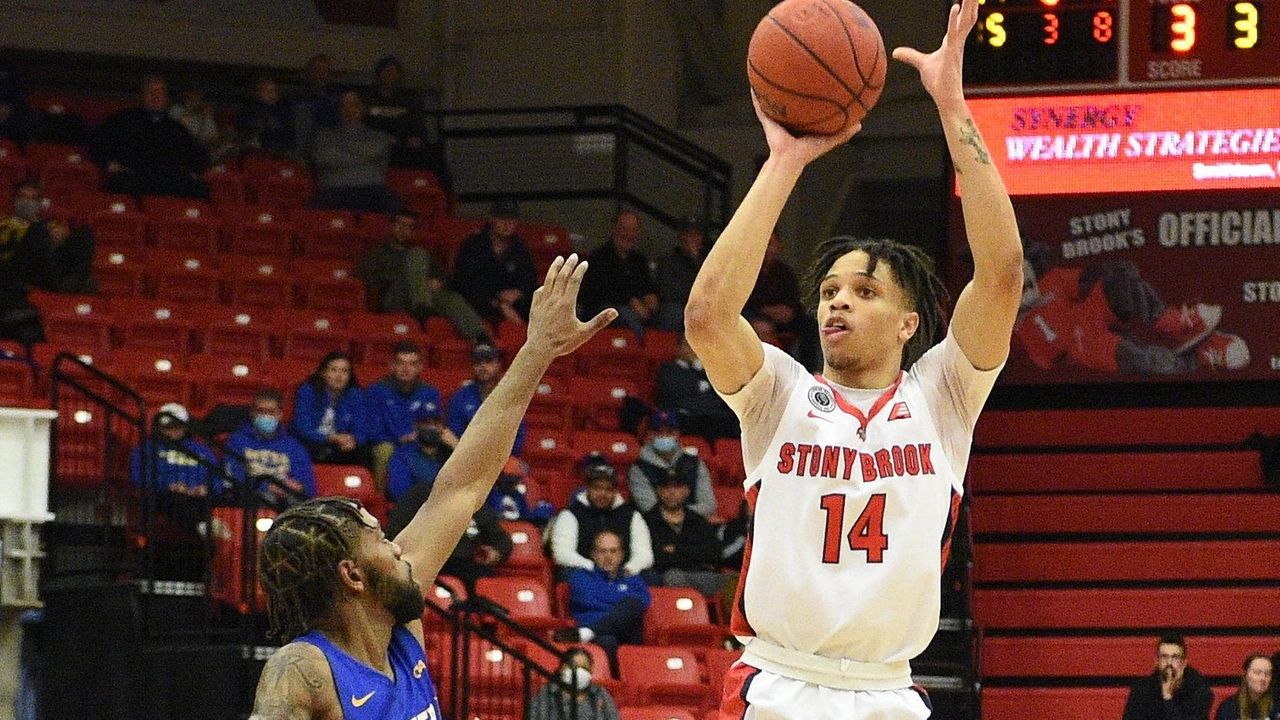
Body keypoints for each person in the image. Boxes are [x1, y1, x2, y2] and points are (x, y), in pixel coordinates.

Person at [684, 1, 1024, 716]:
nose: (837, 302)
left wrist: (953, 107)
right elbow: (708, 316)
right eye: (830, 290)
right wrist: (784, 162)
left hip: (883, 693)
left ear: (909, 323)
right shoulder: (779, 393)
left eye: (864, 291)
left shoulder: (943, 397)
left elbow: (1001, 274)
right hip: (776, 683)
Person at [246, 253, 615, 720]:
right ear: (352, 575)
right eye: (381, 540)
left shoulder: (400, 626)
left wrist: (537, 351)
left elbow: (464, 484)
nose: (399, 549)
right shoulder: (302, 667)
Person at [1017, 251, 1250, 375]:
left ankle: (1178, 324)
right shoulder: (1019, 330)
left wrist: (1107, 274)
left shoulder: (1051, 281)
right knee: (1140, 359)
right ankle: (1199, 355)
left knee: (1122, 276)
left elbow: (1085, 281)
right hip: (1087, 345)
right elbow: (1048, 361)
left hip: (1094, 310)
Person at [356, 210, 490, 341]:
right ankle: (421, 305)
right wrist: (403, 279)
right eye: (400, 225)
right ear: (391, 226)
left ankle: (480, 337)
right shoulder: (376, 254)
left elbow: (445, 277)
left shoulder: (425, 255)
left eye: (409, 227)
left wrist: (438, 282)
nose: (404, 230)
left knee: (450, 297)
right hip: (395, 297)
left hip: (427, 297)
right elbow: (367, 278)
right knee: (416, 255)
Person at [88, 74, 208, 198]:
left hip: (168, 181)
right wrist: (108, 162)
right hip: (134, 178)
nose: (155, 96)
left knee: (199, 188)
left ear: (166, 97)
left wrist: (192, 171)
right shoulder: (124, 119)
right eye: (151, 92)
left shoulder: (176, 128)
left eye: (160, 92)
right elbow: (96, 141)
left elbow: (197, 156)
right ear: (143, 95)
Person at [385, 476, 512, 592]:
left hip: (465, 565)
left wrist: (496, 552)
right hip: (424, 564)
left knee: (486, 583)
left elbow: (501, 538)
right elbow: (395, 533)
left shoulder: (472, 501)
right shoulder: (419, 496)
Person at [553, 529, 651, 671]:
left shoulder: (632, 578)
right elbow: (587, 600)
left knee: (633, 604)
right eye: (602, 551)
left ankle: (588, 632)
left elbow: (642, 602)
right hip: (600, 637)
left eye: (613, 551)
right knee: (608, 639)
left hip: (625, 634)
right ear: (593, 554)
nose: (608, 556)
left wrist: (615, 604)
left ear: (622, 555)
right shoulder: (581, 577)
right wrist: (619, 605)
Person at [549, 453, 653, 579]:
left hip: (625, 574)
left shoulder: (631, 515)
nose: (602, 493)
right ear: (587, 488)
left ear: (615, 491)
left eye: (608, 489)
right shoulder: (570, 514)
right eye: (597, 488)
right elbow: (562, 554)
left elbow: (645, 555)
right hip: (586, 573)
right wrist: (593, 568)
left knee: (650, 576)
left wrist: (627, 570)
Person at [308, 89, 404, 214]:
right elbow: (323, 159)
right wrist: (364, 157)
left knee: (403, 215)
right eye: (344, 105)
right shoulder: (323, 135)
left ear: (362, 108)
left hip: (373, 190)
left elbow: (375, 151)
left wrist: (341, 149)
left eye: (354, 104)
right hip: (334, 189)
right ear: (339, 110)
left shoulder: (379, 136)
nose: (350, 109)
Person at [364, 341, 445, 488]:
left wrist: (421, 436)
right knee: (384, 450)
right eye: (401, 363)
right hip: (390, 444)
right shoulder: (376, 391)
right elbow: (372, 431)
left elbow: (435, 425)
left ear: (420, 367)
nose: (406, 369)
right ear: (392, 365)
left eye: (412, 364)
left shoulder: (430, 392)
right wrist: (401, 438)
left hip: (420, 443)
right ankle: (381, 501)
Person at [452, 200, 538, 325]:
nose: (507, 224)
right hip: (482, 302)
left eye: (511, 220)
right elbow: (465, 281)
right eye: (502, 219)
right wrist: (497, 303)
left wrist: (518, 292)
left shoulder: (520, 248)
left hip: (514, 301)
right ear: (492, 219)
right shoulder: (473, 245)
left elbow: (529, 277)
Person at [745, 230, 820, 370]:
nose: (768, 249)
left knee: (809, 324)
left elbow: (796, 301)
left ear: (779, 246)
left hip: (784, 319)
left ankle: (808, 370)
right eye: (765, 244)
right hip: (756, 318)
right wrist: (765, 312)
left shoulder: (785, 272)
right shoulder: (747, 271)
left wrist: (790, 312)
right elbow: (742, 305)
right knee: (761, 327)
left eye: (771, 244)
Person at [3, 181, 96, 294]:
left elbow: (58, 239)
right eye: (23, 197)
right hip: (19, 267)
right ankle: (60, 285)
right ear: (14, 200)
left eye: (32, 199)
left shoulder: (48, 225)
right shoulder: (4, 222)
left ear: (39, 203)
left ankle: (78, 280)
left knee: (83, 234)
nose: (27, 203)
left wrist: (61, 235)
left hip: (49, 265)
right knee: (37, 232)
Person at [225, 388, 316, 500]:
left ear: (280, 414)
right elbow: (233, 475)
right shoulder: (237, 441)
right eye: (261, 411)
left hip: (284, 504)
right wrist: (266, 487)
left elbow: (308, 486)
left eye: (271, 411)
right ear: (252, 413)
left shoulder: (294, 447)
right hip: (249, 502)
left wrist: (297, 487)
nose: (266, 415)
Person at [642, 475, 723, 598]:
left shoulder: (698, 520)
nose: (672, 492)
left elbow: (714, 554)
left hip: (700, 575)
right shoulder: (647, 520)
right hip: (666, 578)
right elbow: (656, 558)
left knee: (734, 581)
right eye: (666, 488)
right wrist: (694, 553)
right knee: (673, 577)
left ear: (686, 491)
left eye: (677, 487)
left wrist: (677, 549)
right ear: (658, 491)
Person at [580, 210, 658, 337]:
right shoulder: (598, 257)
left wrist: (651, 297)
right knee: (625, 313)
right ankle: (642, 348)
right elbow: (595, 293)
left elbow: (647, 286)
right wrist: (630, 301)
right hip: (603, 311)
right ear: (614, 230)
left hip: (639, 310)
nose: (628, 234)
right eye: (624, 229)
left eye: (633, 230)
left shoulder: (640, 260)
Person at [627, 410, 717, 518]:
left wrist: (678, 515)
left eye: (669, 432)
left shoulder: (695, 463)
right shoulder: (639, 469)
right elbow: (649, 508)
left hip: (695, 525)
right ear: (650, 435)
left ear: (678, 434)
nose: (664, 436)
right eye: (659, 432)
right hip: (656, 528)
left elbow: (708, 505)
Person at [291, 351, 373, 466]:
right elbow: (303, 428)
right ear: (323, 372)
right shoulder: (308, 391)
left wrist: (354, 440)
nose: (339, 376)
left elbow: (362, 428)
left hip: (340, 443)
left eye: (344, 371)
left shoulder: (355, 394)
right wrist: (330, 438)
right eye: (333, 370)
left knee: (365, 451)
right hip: (313, 441)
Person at [655, 332, 739, 443]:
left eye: (695, 346)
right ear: (678, 348)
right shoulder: (669, 369)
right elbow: (677, 392)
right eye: (688, 346)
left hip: (712, 415)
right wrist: (699, 389)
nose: (692, 350)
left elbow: (719, 394)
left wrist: (699, 368)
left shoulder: (708, 371)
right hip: (686, 415)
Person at [447, 343, 527, 455]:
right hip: (467, 457)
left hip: (501, 457)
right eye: (478, 362)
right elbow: (454, 433)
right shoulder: (461, 396)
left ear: (498, 364)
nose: (483, 367)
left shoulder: (509, 397)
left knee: (517, 468)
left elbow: (517, 436)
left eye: (488, 361)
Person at [129, 402, 218, 497]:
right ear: (159, 427)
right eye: (168, 427)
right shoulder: (147, 448)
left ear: (186, 426)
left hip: (197, 502)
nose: (173, 430)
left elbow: (217, 478)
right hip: (161, 499)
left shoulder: (201, 450)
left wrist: (206, 488)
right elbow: (137, 476)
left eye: (178, 426)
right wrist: (168, 485)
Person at [1122, 634, 1214, 720]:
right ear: (1157, 662)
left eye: (1175, 657)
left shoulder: (1201, 692)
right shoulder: (1141, 691)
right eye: (1164, 656)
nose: (1169, 662)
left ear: (1184, 662)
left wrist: (1167, 697)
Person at [385, 405, 457, 503]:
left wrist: (457, 447)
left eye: (436, 423)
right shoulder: (403, 455)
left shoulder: (452, 452)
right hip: (416, 509)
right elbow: (399, 492)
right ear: (416, 426)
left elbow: (474, 484)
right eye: (426, 423)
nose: (432, 427)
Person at [527, 647, 620, 720]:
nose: (579, 672)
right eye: (574, 667)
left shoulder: (599, 693)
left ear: (591, 671)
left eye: (584, 668)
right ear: (562, 668)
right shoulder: (548, 692)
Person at [653, 217, 707, 331]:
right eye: (689, 235)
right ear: (681, 236)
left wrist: (695, 260)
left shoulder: (706, 262)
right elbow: (667, 291)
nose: (694, 239)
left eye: (697, 235)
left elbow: (710, 287)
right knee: (672, 313)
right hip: (677, 307)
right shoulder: (667, 260)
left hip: (700, 307)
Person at [290, 53, 341, 161]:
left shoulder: (337, 100)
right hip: (301, 156)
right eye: (316, 70)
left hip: (331, 154)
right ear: (308, 73)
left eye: (324, 71)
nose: (321, 75)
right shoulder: (295, 99)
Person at [237, 75, 296, 157]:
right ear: (257, 93)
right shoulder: (249, 111)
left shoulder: (283, 112)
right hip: (253, 152)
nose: (270, 93)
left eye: (273, 90)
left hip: (278, 152)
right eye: (265, 90)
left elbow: (288, 134)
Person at [486, 455, 555, 525]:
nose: (512, 482)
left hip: (521, 526)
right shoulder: (490, 494)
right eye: (509, 479)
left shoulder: (522, 493)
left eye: (515, 479)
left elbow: (542, 511)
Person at [1216, 654, 1275, 720]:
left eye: (1268, 673)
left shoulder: (1276, 706)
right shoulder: (1228, 708)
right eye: (1257, 673)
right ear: (1245, 675)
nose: (1263, 678)